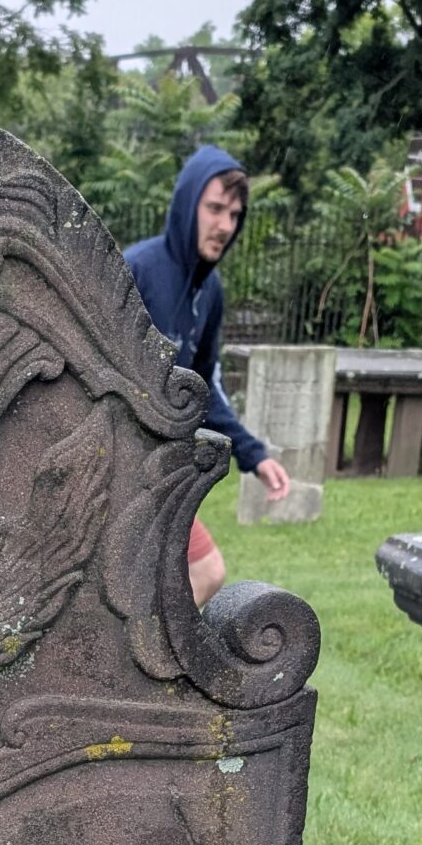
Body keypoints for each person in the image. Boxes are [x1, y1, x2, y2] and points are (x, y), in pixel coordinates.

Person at [124, 145, 291, 605]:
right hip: (119, 466)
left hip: (161, 470)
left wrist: (255, 455)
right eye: (215, 208)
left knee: (197, 574)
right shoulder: (138, 269)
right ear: (187, 203)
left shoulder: (209, 291)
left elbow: (203, 388)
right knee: (201, 571)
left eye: (234, 214)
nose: (225, 225)